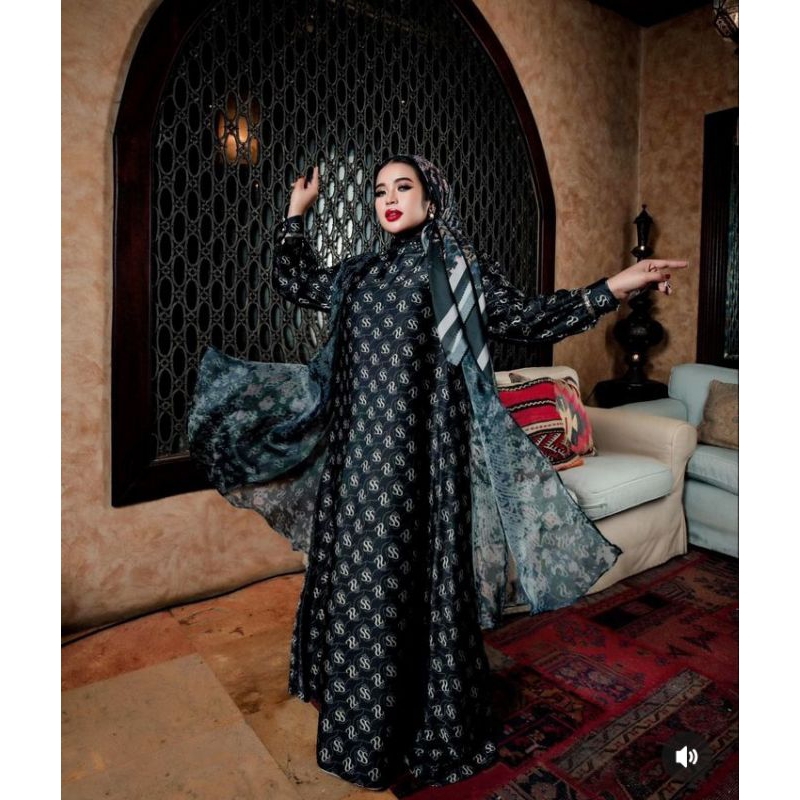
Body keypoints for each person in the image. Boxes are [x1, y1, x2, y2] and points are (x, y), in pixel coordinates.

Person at [188, 154, 687, 791]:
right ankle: (360, 726)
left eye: (404, 187)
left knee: (409, 584)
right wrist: (295, 213)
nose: (389, 199)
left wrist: (615, 286)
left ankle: (419, 725)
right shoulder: (359, 273)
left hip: (421, 464)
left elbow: (530, 317)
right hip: (355, 462)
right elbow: (298, 281)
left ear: (432, 198)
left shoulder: (454, 270)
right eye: (379, 191)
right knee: (360, 585)